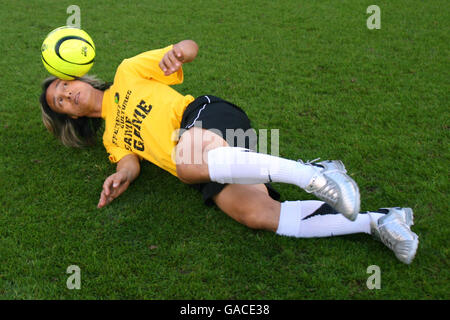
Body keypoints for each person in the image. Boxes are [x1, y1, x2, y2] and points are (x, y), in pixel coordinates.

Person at [39, 40, 419, 264]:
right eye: (60, 102)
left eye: (64, 86)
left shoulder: (127, 72)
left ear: (78, 76)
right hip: (205, 163)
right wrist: (122, 176)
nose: (67, 95)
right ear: (69, 117)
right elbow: (128, 162)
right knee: (257, 214)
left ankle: (315, 175)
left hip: (204, 116)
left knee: (185, 164)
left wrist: (180, 54)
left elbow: (187, 46)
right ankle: (380, 220)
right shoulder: (111, 139)